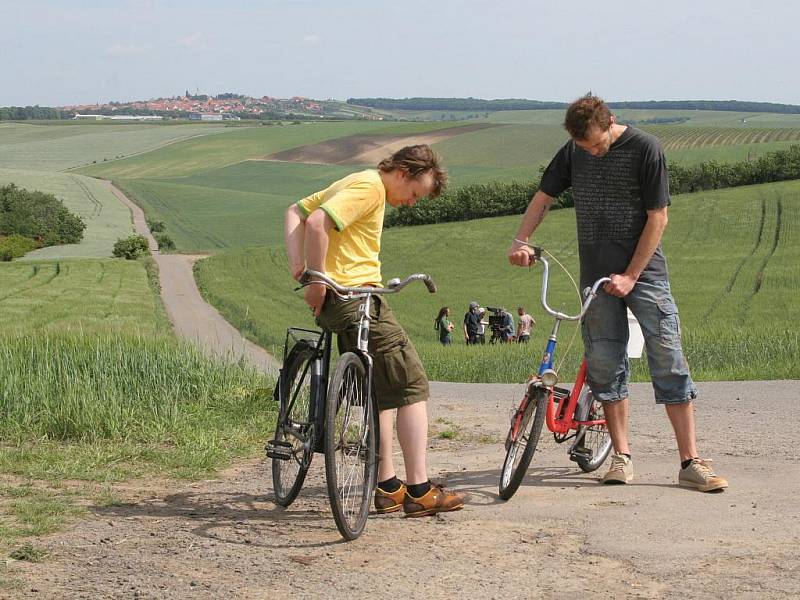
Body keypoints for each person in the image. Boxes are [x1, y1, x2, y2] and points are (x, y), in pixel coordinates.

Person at [507, 95, 728, 493]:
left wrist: (630, 275)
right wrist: (521, 239)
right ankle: (621, 458)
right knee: (606, 366)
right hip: (595, 278)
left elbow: (658, 217)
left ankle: (690, 462)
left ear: (610, 120)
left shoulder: (646, 148)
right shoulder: (574, 151)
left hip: (645, 275)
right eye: (584, 146)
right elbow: (544, 197)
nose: (591, 151)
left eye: (596, 143)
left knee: (669, 359)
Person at [285, 144, 464, 516]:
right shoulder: (369, 187)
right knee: (412, 385)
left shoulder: (353, 181)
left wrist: (299, 269)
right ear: (402, 172)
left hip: (337, 305)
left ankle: (387, 486)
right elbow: (317, 223)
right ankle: (419, 490)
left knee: (378, 391)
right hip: (356, 299)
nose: (412, 202)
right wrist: (315, 281)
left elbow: (295, 212)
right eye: (414, 193)